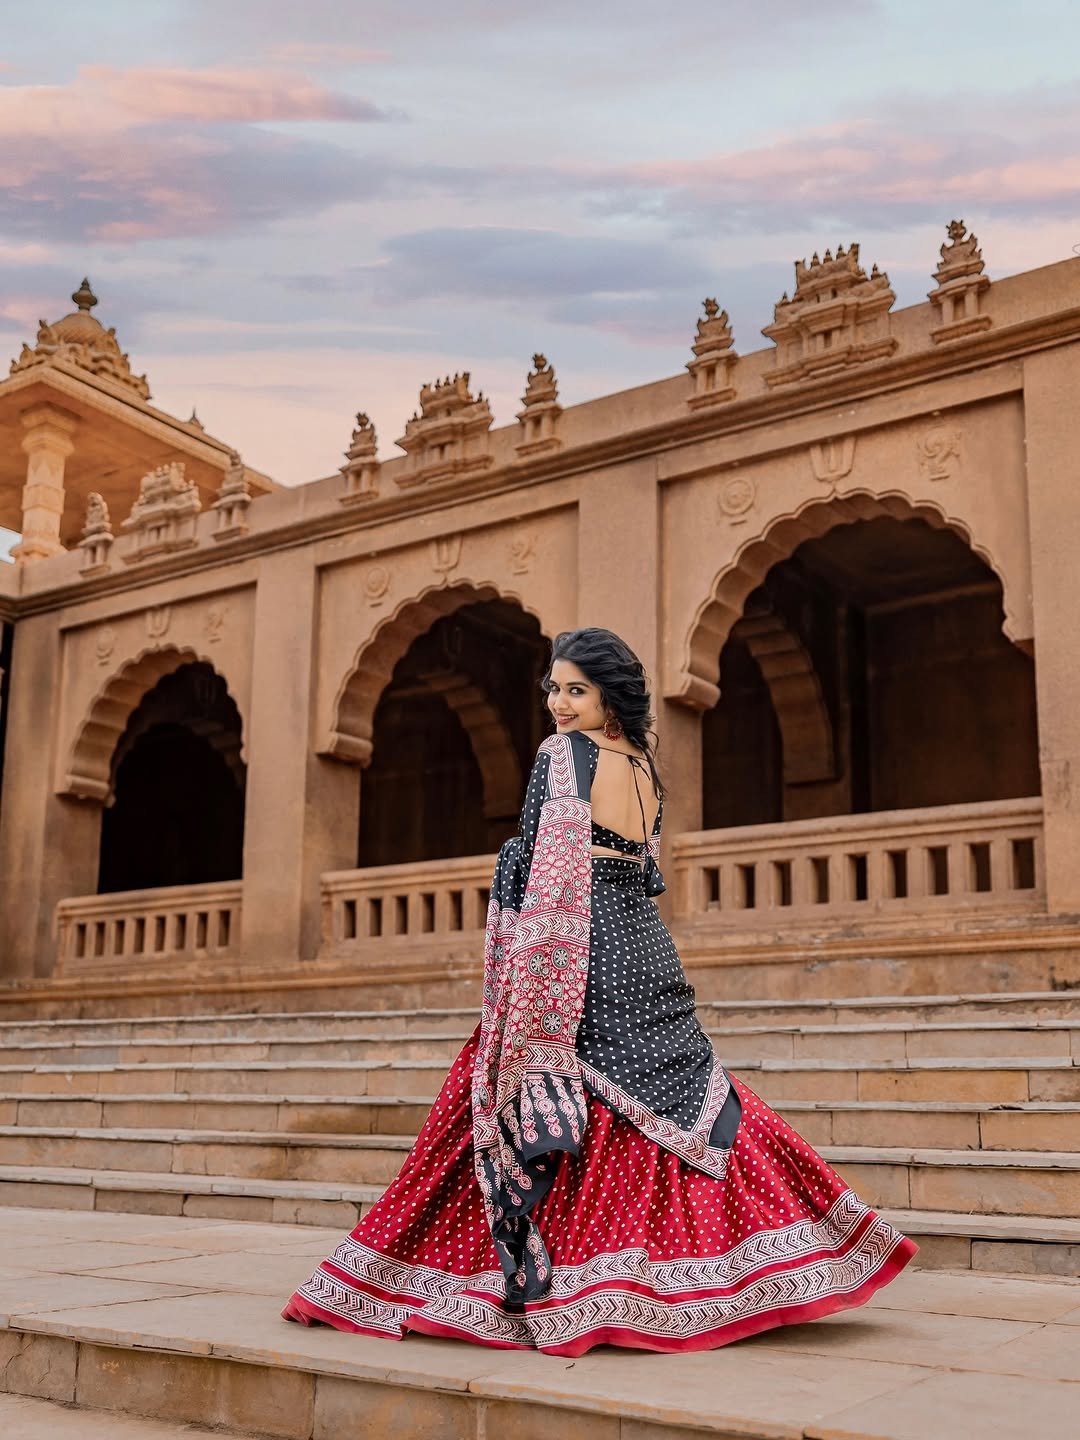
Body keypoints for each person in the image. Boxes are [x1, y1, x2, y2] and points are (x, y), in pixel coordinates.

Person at [282, 627, 916, 1355]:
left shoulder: (564, 757)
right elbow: (643, 874)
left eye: (575, 688)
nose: (558, 703)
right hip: (644, 948)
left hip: (579, 948)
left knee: (528, 1089)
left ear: (608, 695)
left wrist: (530, 991)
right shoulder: (643, 767)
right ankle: (766, 1257)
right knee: (684, 1100)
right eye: (553, 688)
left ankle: (516, 1276)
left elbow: (555, 877)